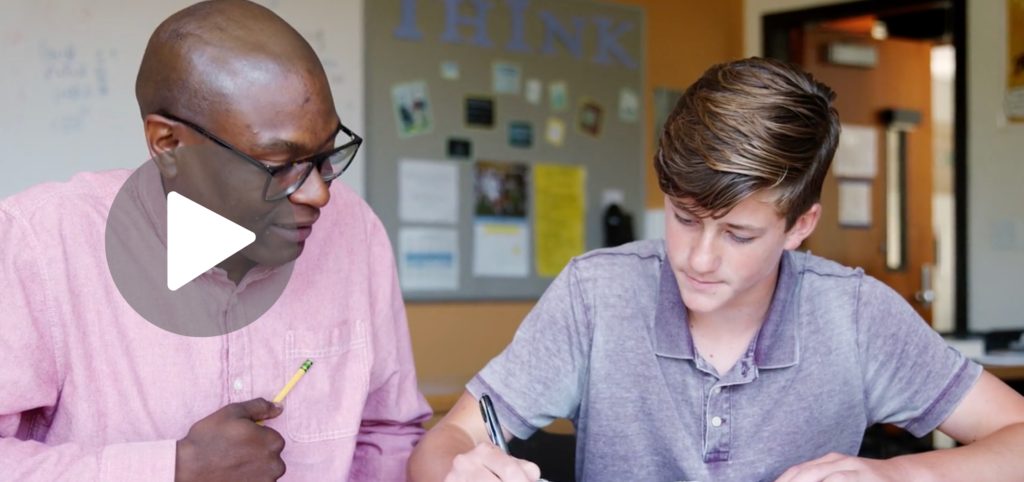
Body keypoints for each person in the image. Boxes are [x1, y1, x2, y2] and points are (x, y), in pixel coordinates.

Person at [407, 57, 1024, 482]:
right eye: (683, 217)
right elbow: (442, 444)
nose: (698, 258)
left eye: (738, 234)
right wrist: (462, 469)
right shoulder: (596, 294)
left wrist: (897, 474)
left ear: (800, 226)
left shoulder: (856, 315)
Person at [0, 1, 431, 480]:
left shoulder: (356, 232)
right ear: (169, 145)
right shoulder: (42, 245)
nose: (319, 194)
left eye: (328, 156)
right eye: (277, 165)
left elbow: (387, 433)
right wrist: (175, 469)